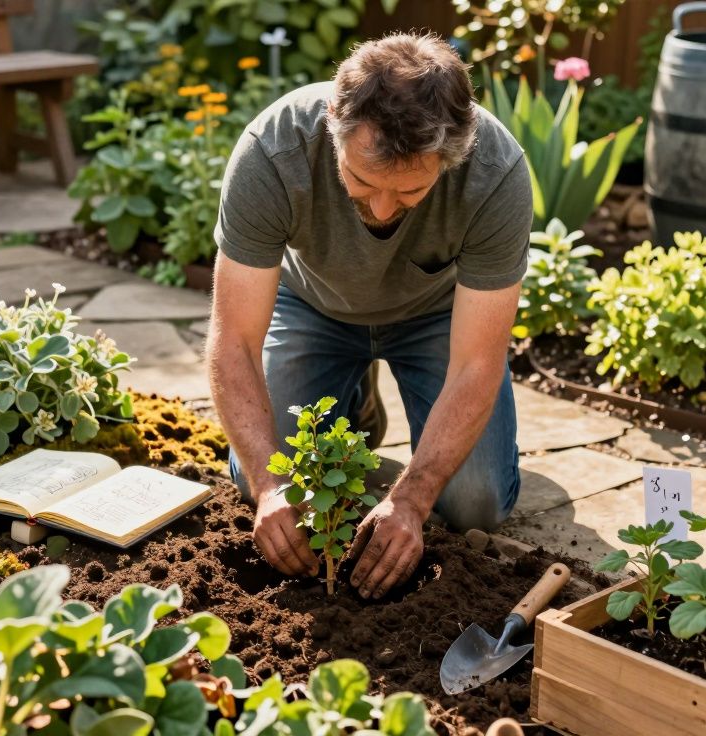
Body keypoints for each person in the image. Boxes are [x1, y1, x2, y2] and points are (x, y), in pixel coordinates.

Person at [205, 32, 532, 599]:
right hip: (314, 305)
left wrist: (411, 498)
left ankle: (384, 403)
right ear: (334, 121)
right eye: (362, 181)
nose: (382, 210)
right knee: (265, 477)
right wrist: (267, 485)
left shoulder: (495, 172)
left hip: (434, 315)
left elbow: (478, 361)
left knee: (475, 504)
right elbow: (233, 339)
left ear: (452, 155)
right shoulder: (272, 150)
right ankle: (353, 401)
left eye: (409, 193)